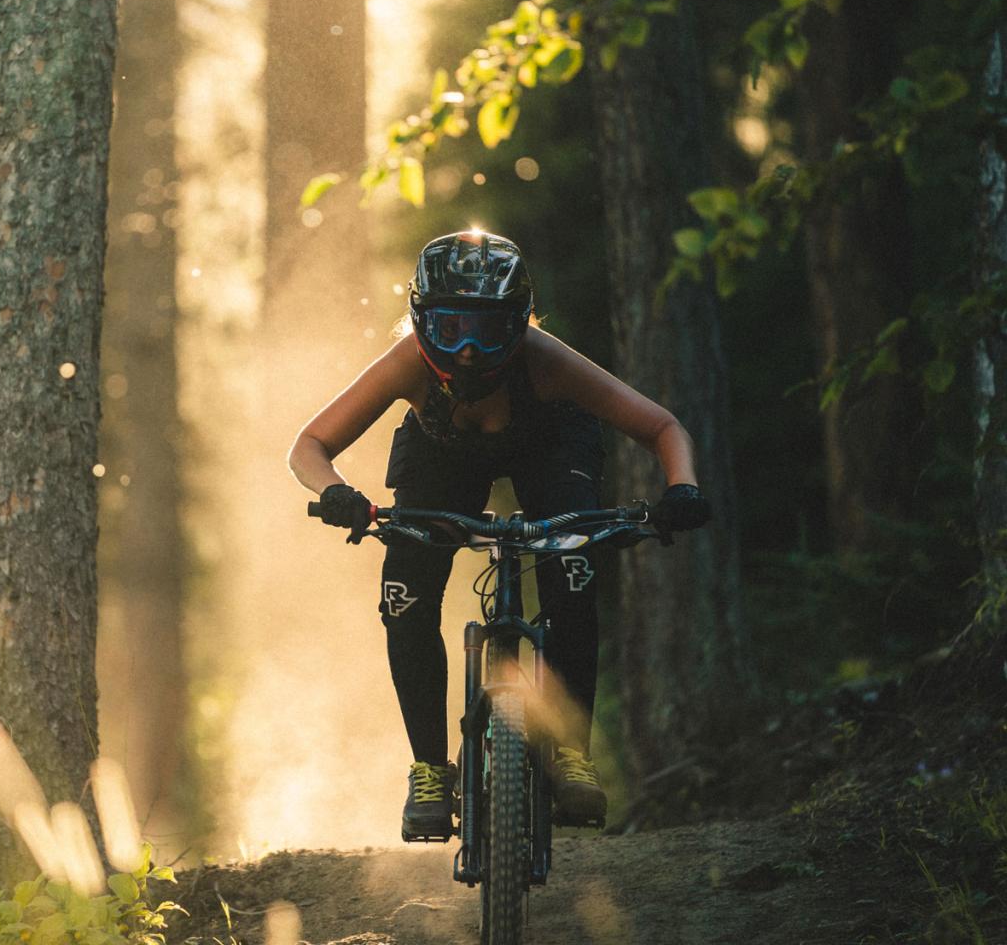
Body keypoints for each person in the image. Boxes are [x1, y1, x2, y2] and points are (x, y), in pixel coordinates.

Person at [287, 229, 711, 839]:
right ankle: (430, 770)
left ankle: (571, 755)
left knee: (572, 575)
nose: (466, 350)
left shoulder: (545, 361)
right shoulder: (408, 363)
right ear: (420, 319)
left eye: (486, 330)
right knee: (404, 599)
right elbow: (309, 445)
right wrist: (335, 492)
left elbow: (662, 427)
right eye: (450, 326)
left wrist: (682, 489)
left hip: (551, 443)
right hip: (441, 456)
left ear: (519, 324)